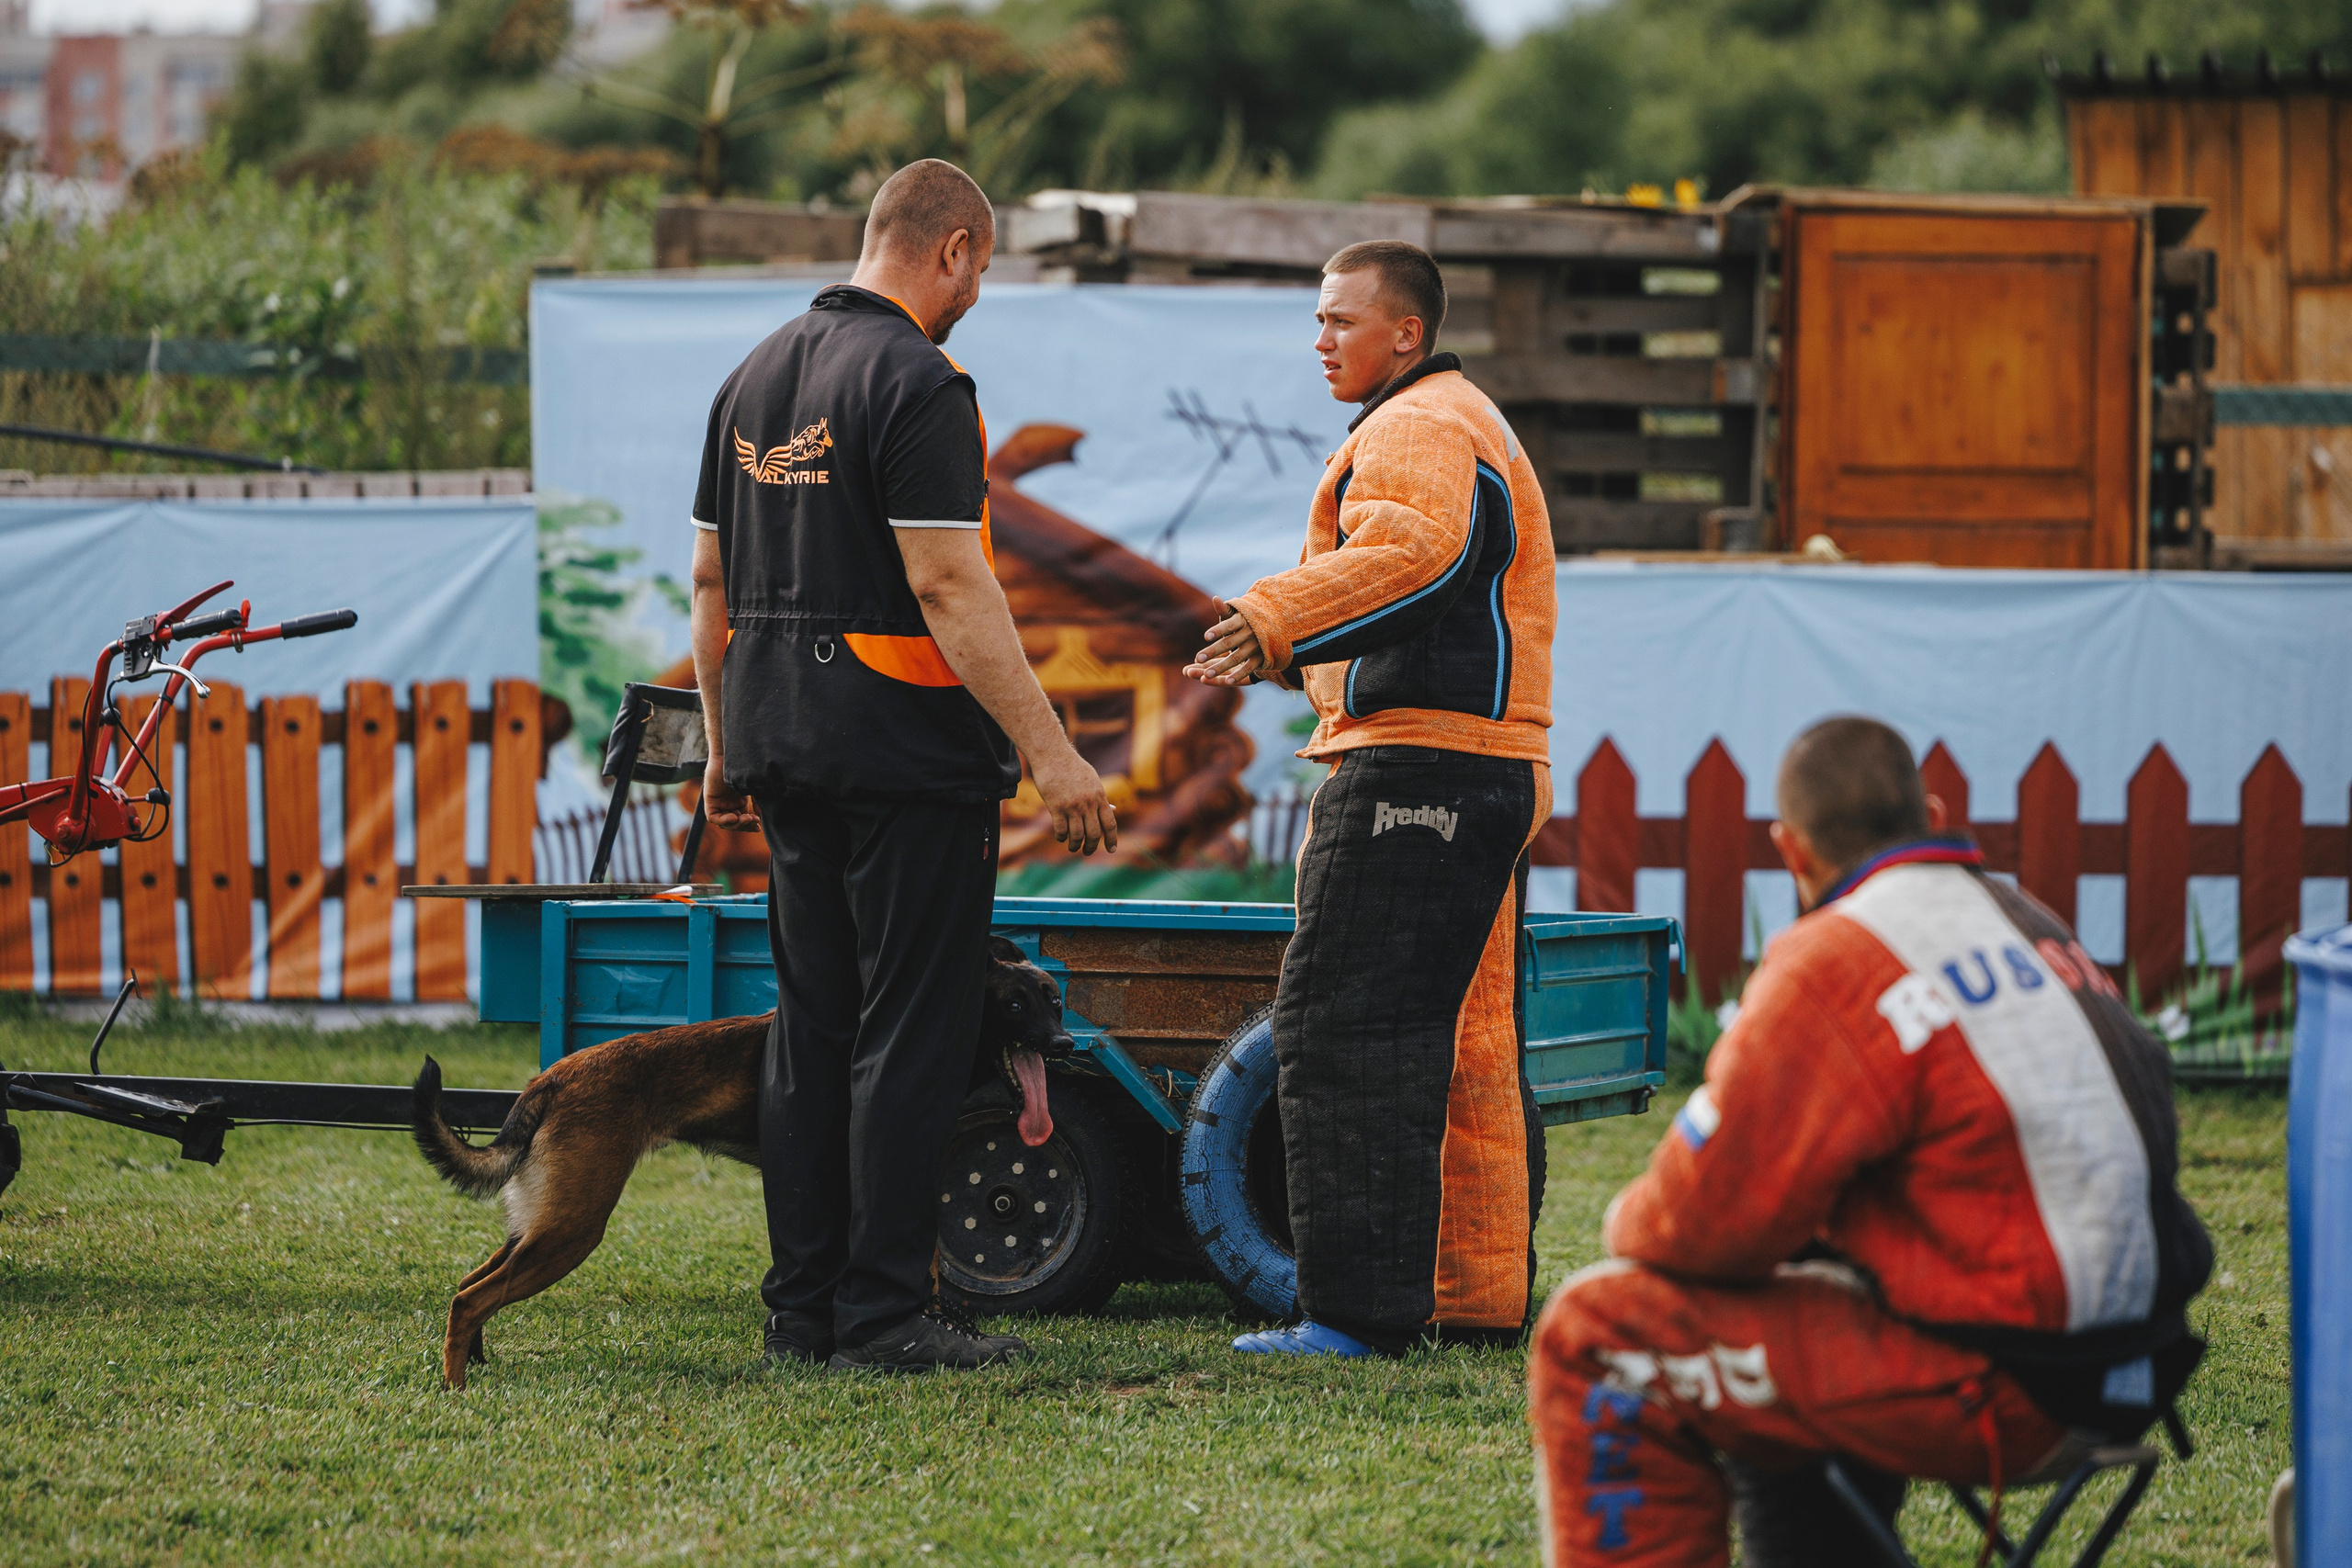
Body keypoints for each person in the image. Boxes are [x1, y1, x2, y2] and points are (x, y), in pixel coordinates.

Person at [1527, 716, 2213, 1567]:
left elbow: (1689, 1225)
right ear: (1928, 811)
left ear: (1791, 850)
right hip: (2142, 1363)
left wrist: (1634, 1213)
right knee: (1792, 1286)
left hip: (2013, 1386)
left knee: (1596, 1330)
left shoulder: (1835, 958)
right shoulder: (2027, 919)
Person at [687, 159, 1117, 1374]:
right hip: (907, 753)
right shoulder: (923, 381)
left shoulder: (754, 374)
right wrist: (1052, 752)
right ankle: (884, 1317)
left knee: (812, 1028)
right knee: (910, 1034)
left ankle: (803, 1313)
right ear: (958, 250)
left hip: (783, 745)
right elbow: (945, 578)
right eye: (983, 269)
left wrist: (725, 746)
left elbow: (714, 584)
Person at [1184, 240, 1558, 1358]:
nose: (1321, 341)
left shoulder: (1418, 425)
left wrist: (1278, 617)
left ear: (1408, 334)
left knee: (1342, 1029)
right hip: (1486, 767)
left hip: (1418, 766)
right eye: (1318, 321)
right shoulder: (1464, 418)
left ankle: (1352, 1316)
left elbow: (1417, 551)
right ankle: (1470, 1296)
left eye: (1342, 321)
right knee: (1466, 1041)